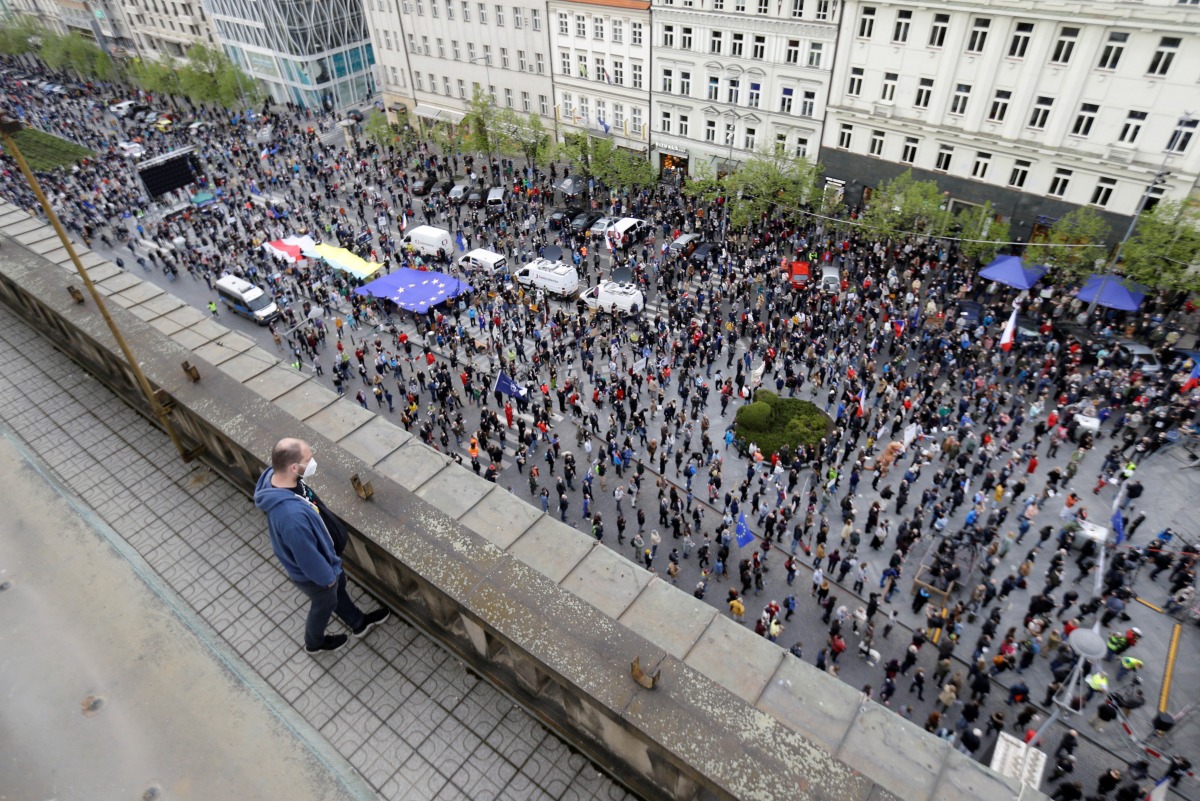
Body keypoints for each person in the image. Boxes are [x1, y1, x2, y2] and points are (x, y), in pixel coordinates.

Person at [255, 438, 390, 653]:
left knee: (337, 593)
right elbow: (308, 559)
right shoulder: (291, 518)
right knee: (324, 604)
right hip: (319, 574)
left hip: (327, 561)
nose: (312, 462)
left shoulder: (281, 478)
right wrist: (329, 579)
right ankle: (314, 642)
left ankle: (358, 623)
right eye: (308, 459)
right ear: (293, 467)